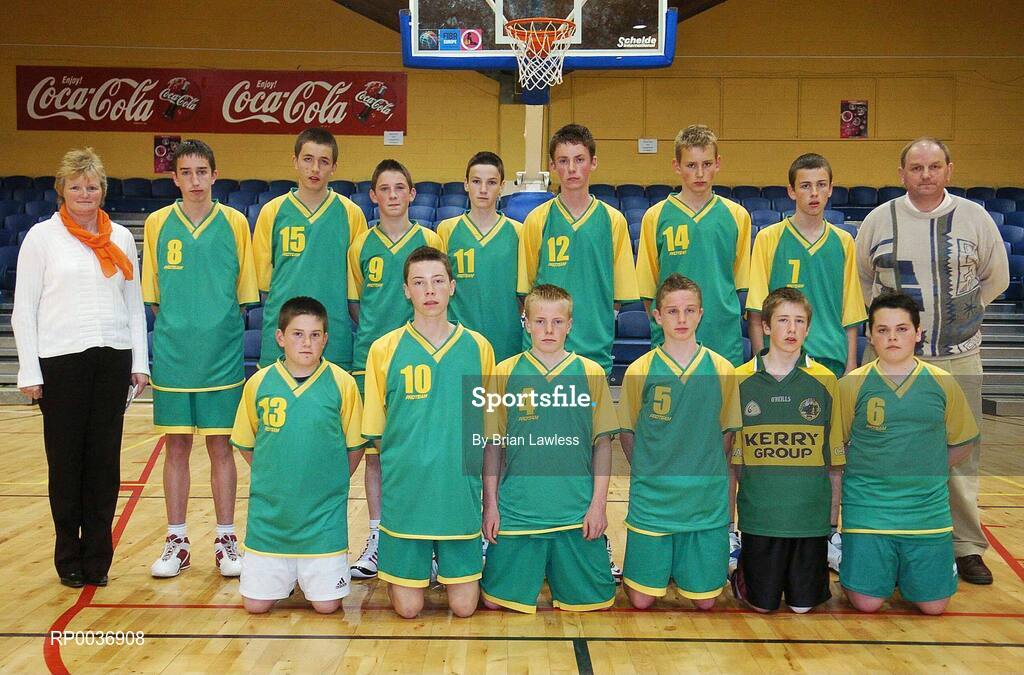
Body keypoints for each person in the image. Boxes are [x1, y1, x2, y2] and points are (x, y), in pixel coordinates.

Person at [855, 137, 1009, 585]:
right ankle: (879, 536)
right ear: (902, 173)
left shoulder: (975, 219)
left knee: (962, 454)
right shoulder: (878, 219)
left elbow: (995, 278)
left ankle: (965, 547)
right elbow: (864, 279)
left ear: (949, 170)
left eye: (935, 166)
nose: (926, 175)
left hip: (958, 359)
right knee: (882, 449)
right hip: (888, 365)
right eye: (916, 167)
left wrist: (961, 315)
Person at [12, 147, 149, 588]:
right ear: (62, 190)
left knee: (105, 464)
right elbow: (23, 310)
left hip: (111, 360)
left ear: (103, 191)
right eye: (76, 186)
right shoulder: (41, 238)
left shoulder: (121, 239)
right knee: (66, 463)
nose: (84, 193)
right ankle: (67, 556)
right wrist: (30, 372)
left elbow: (133, 307)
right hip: (61, 363)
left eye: (92, 186)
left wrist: (139, 364)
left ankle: (98, 558)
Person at [142, 139, 259, 578]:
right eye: (185, 172)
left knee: (220, 447)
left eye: (201, 171)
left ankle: (227, 538)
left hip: (222, 356)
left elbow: (245, 298)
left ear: (214, 174)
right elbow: (155, 299)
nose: (194, 180)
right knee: (176, 446)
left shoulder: (234, 223)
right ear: (175, 178)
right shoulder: (156, 224)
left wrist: (214, 327)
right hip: (173, 354)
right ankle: (177, 539)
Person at [362, 246, 494, 618]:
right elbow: (376, 431)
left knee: (465, 607)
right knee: (407, 609)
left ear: (452, 287)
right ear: (406, 290)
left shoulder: (479, 347)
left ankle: (441, 565)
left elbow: (488, 432)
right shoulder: (383, 350)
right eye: (419, 283)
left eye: (438, 281)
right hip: (408, 498)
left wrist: (488, 500)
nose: (430, 290)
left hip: (459, 496)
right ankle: (421, 566)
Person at [838, 293, 979, 614]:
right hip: (869, 511)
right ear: (870, 336)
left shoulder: (942, 383)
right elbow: (838, 446)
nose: (892, 337)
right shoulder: (853, 385)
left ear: (918, 333)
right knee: (866, 604)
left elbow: (964, 442)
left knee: (934, 607)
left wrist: (929, 470)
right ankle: (872, 571)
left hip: (926, 512)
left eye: (901, 329)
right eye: (883, 330)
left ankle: (902, 572)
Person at [480, 284, 618, 613]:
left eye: (557, 322)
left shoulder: (590, 372)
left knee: (598, 603)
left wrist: (598, 506)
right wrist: (491, 507)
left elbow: (603, 445)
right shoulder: (504, 372)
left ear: (570, 324)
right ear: (525, 322)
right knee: (494, 603)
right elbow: (492, 447)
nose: (548, 330)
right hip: (518, 512)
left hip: (575, 513)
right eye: (540, 321)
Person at [230, 296, 365, 614]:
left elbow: (355, 446)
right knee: (255, 606)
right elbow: (247, 444)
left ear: (326, 339)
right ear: (280, 337)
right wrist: (273, 475)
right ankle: (286, 578)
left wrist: (331, 480)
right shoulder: (259, 383)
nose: (307, 343)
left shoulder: (342, 384)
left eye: (315, 335)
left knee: (327, 607)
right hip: (270, 520)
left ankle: (305, 578)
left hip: (323, 523)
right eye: (297, 334)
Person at [618, 274, 741, 609]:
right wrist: (647, 470)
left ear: (701, 313)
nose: (681, 319)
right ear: (657, 316)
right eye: (672, 311)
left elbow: (728, 434)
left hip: (704, 501)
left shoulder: (722, 369)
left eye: (689, 311)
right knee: (641, 601)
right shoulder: (640, 370)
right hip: (654, 501)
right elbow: (627, 432)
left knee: (704, 602)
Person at [348, 160, 444, 580]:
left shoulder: (430, 239)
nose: (391, 195)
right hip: (373, 358)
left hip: (423, 355)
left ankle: (437, 536)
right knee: (377, 454)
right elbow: (356, 305)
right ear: (373, 195)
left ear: (411, 194)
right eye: (383, 188)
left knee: (432, 451)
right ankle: (377, 537)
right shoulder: (359, 247)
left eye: (399, 187)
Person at [729, 288, 844, 614]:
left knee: (802, 608)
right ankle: (742, 576)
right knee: (762, 607)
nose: (791, 330)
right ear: (765, 326)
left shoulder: (825, 380)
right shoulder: (739, 381)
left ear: (808, 328)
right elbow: (732, 465)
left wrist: (831, 526)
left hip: (809, 520)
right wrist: (729, 524)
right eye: (783, 321)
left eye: (799, 322)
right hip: (760, 518)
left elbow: (834, 462)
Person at [517, 123, 639, 375]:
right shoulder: (537, 220)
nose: (571, 169)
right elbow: (525, 292)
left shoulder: (613, 220)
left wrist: (595, 327)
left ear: (593, 162)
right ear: (552, 167)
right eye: (563, 160)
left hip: (595, 352)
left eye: (579, 159)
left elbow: (619, 295)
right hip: (542, 354)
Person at [635, 124, 751, 366]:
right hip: (671, 343)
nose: (700, 173)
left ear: (718, 163)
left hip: (723, 339)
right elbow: (649, 290)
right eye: (691, 165)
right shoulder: (655, 217)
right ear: (676, 166)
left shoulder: (737, 216)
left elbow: (739, 286)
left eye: (706, 164)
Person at [253, 127, 367, 369]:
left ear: (334, 166)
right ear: (295, 161)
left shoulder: (351, 214)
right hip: (282, 334)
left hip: (334, 335)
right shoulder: (272, 212)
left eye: (323, 161)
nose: (315, 169)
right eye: (307, 159)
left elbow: (357, 285)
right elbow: (264, 286)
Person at [746, 153, 866, 378]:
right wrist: (760, 365)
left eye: (821, 185)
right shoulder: (768, 238)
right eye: (805, 186)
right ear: (791, 191)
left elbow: (850, 313)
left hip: (832, 359)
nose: (814, 193)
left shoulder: (843, 242)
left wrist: (851, 366)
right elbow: (756, 314)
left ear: (831, 189)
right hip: (781, 361)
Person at [437, 151, 523, 363]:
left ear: (502, 186)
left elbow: (525, 293)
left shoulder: (519, 232)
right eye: (476, 181)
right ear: (466, 184)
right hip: (459, 344)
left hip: (506, 342)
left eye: (491, 182)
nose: (483, 189)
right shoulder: (446, 231)